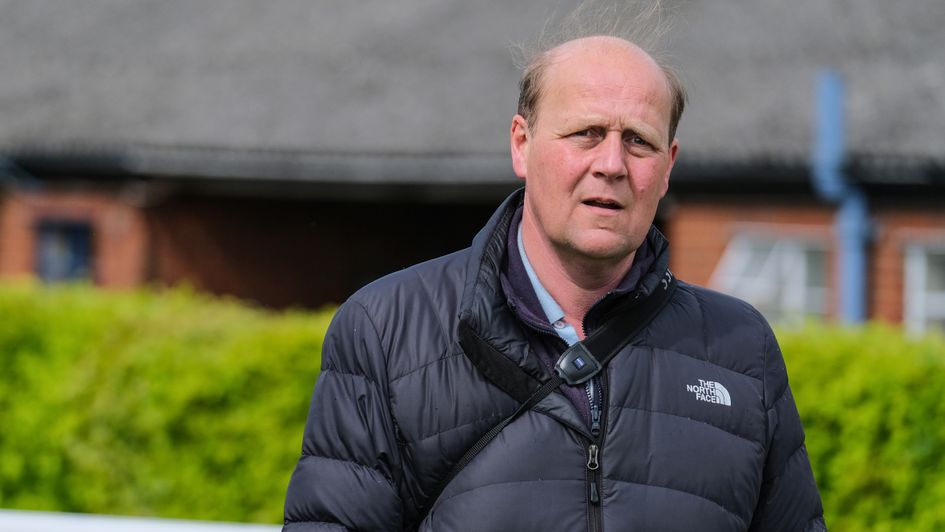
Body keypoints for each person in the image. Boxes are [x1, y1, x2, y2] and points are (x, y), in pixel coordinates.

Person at [282, 31, 825, 532]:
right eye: (586, 133)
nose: (612, 163)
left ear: (668, 166)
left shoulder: (740, 350)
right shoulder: (388, 329)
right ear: (522, 143)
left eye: (639, 141)